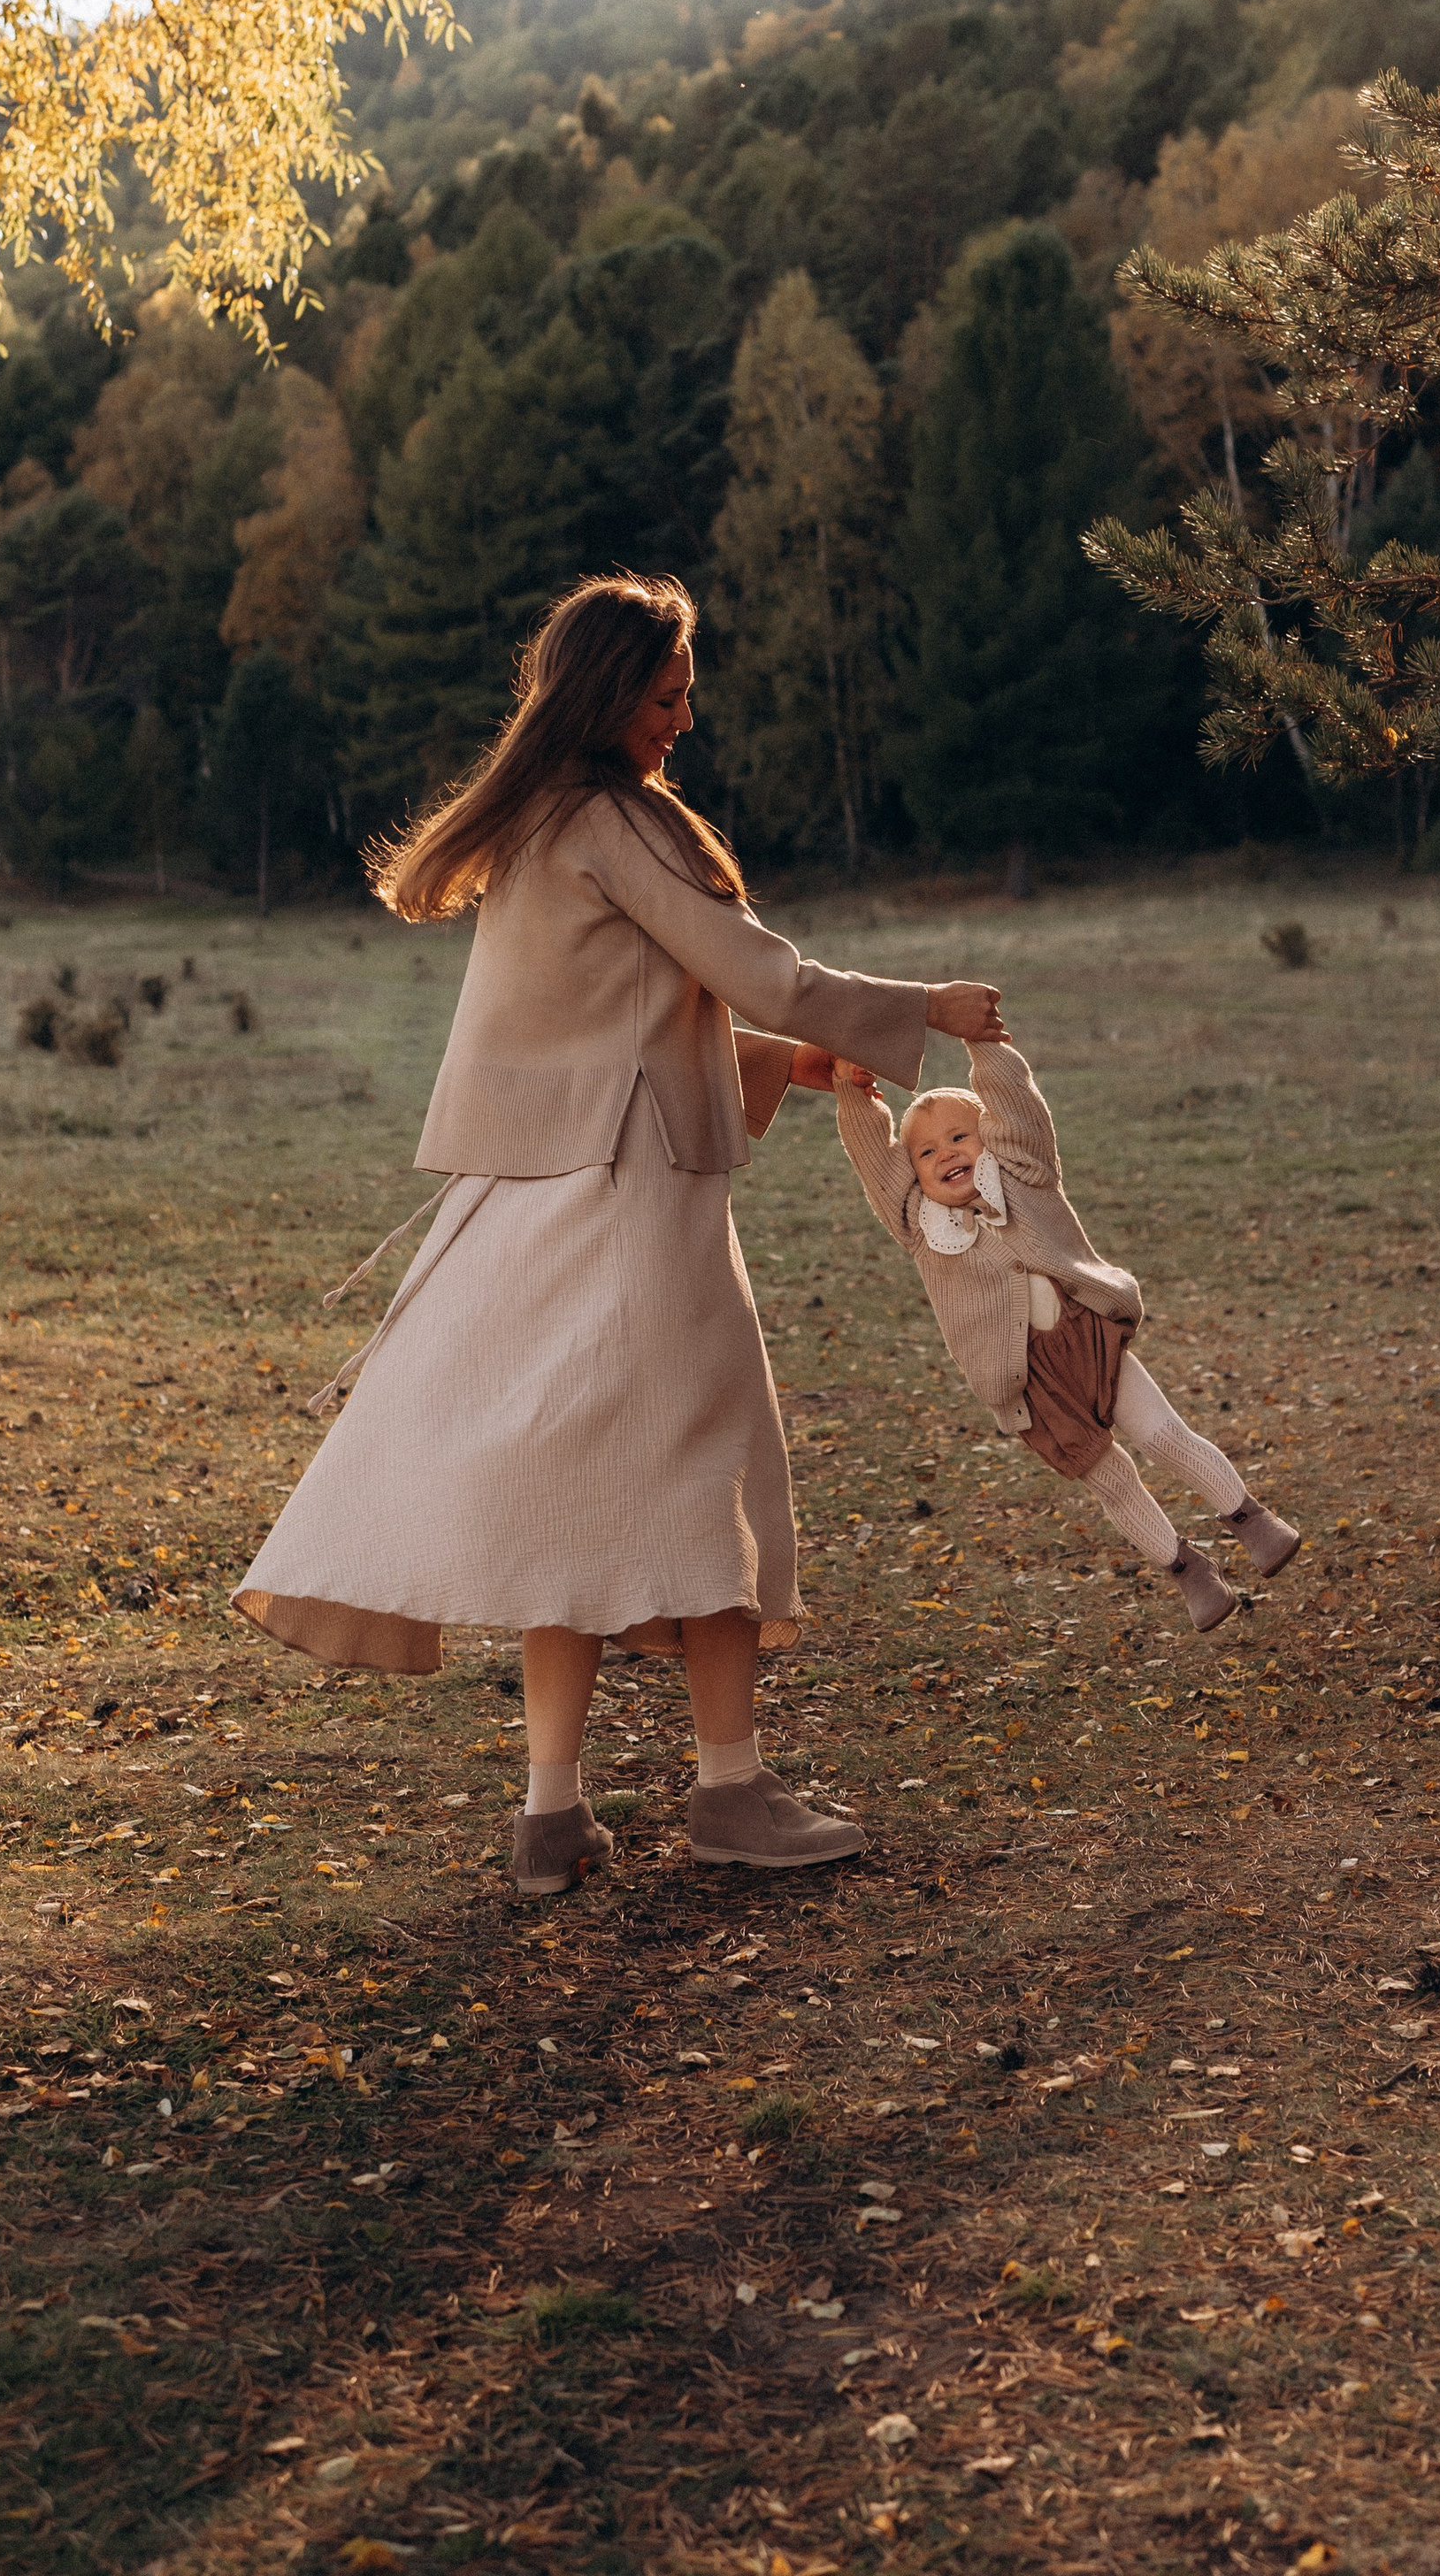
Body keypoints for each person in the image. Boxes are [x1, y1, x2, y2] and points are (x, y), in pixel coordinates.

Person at [232, 570, 1008, 1895]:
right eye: (666, 694)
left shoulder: (541, 826)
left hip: (537, 1194)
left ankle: (550, 1814)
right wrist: (926, 1005)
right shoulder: (611, 819)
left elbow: (623, 1022)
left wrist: (782, 1066)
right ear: (608, 695)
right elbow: (755, 966)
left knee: (574, 1498)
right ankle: (730, 1791)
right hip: (633, 1196)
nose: (683, 720)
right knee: (707, 1470)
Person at [832, 1036, 1298, 1630]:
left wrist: (984, 1042)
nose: (945, 1154)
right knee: (1114, 1481)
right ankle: (1191, 1574)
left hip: (1087, 1340)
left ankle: (1250, 1520)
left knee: (1161, 1435)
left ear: (989, 1140)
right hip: (1032, 1392)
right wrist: (852, 1089)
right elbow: (873, 1153)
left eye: (959, 1137)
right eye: (924, 1152)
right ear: (912, 1173)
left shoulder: (1025, 1176)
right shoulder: (921, 1228)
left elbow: (1018, 1108)